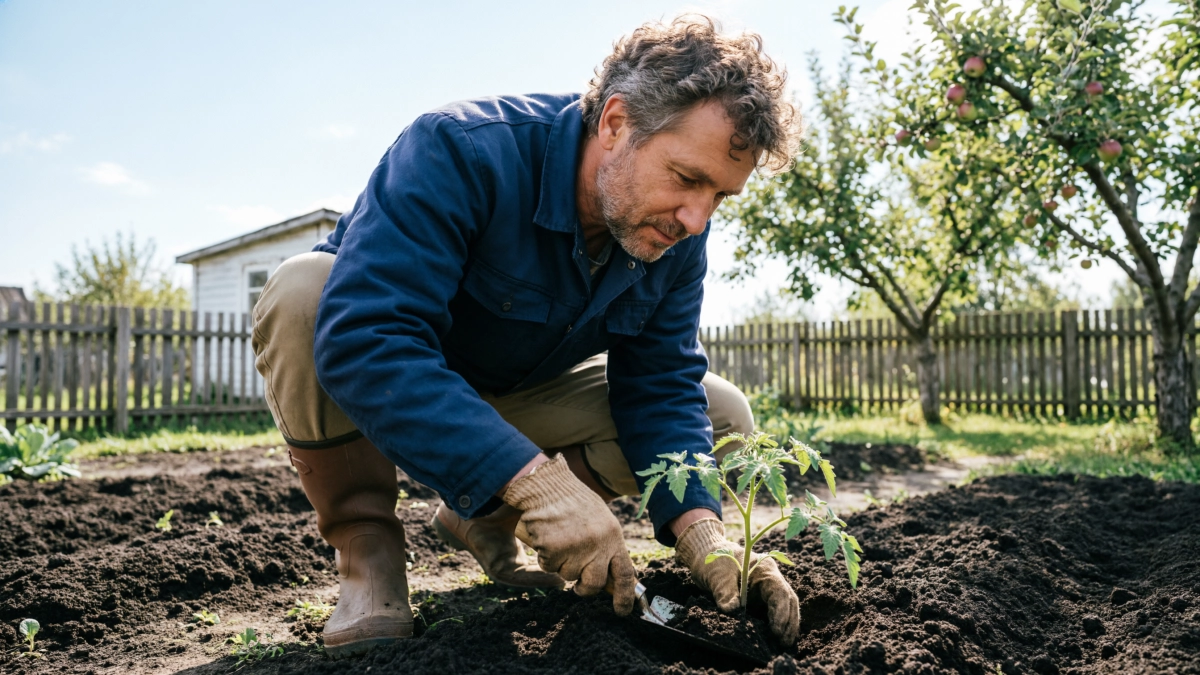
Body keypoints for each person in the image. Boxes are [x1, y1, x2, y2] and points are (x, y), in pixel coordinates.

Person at [251, 14, 802, 657]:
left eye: (719, 196)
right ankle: (368, 553)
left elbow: (659, 382)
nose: (696, 217)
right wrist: (535, 480)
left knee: (719, 410)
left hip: (516, 397)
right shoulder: (461, 150)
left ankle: (486, 515)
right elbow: (370, 339)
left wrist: (703, 530)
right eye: (686, 178)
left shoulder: (676, 236)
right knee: (303, 291)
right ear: (616, 123)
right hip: (385, 388)